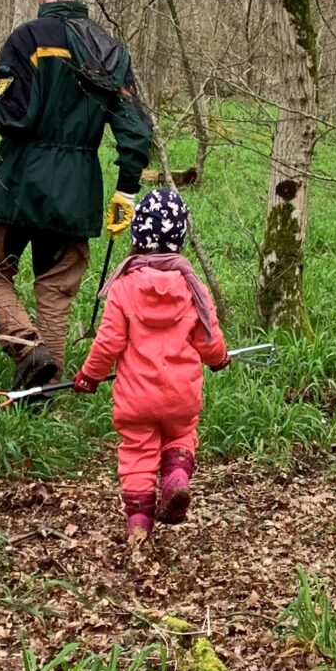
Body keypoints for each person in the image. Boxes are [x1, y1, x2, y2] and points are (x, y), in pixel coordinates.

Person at [0, 0, 152, 388]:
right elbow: (135, 132)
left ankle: (27, 348)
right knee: (55, 289)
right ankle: (45, 385)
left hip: (16, 184)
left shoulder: (29, 39)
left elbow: (12, 114)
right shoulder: (111, 50)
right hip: (77, 193)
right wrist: (126, 190)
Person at [72, 187, 228, 545]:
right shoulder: (193, 287)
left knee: (137, 453)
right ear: (180, 236)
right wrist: (220, 360)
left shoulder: (125, 286)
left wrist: (89, 377)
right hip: (181, 394)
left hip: (136, 399)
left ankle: (139, 526)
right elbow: (209, 340)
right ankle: (176, 480)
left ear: (138, 232)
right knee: (181, 434)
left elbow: (108, 342)